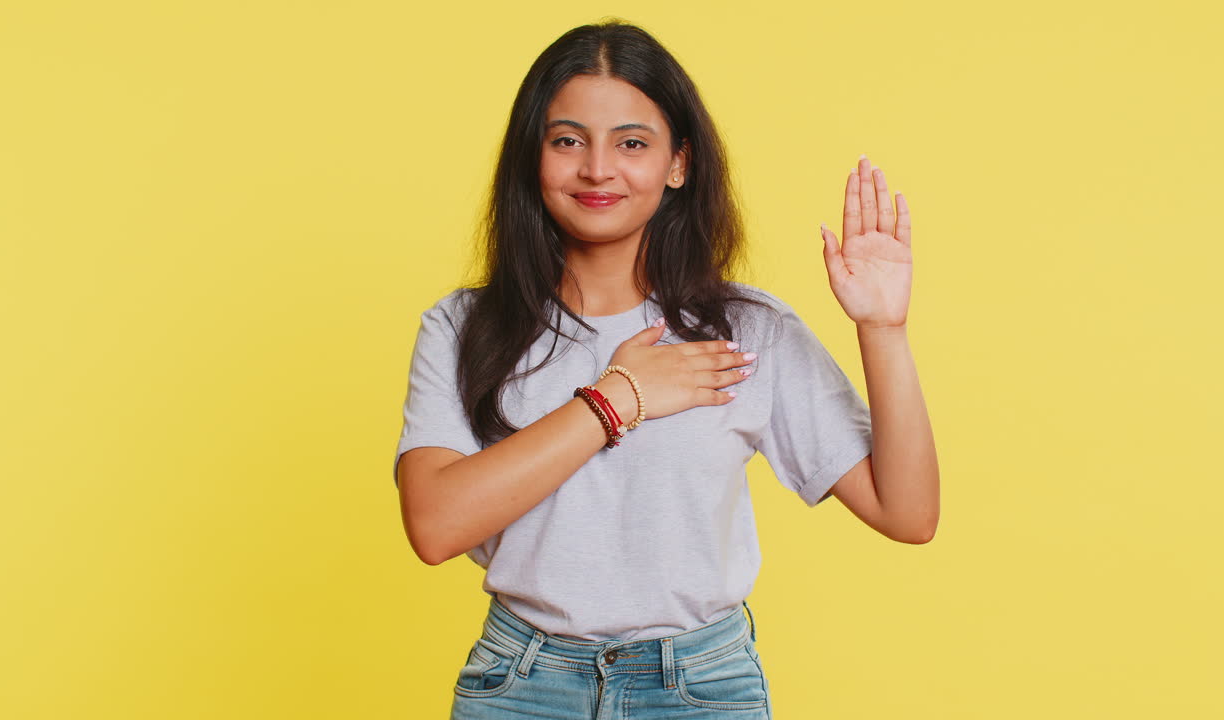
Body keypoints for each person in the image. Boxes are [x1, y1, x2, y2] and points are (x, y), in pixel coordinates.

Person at [392, 19, 939, 720]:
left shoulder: (747, 332)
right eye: (568, 141)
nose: (597, 169)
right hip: (522, 686)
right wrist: (615, 401)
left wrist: (883, 330)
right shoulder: (464, 326)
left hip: (700, 688)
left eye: (631, 143)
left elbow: (908, 513)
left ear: (678, 164)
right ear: (534, 156)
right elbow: (435, 526)